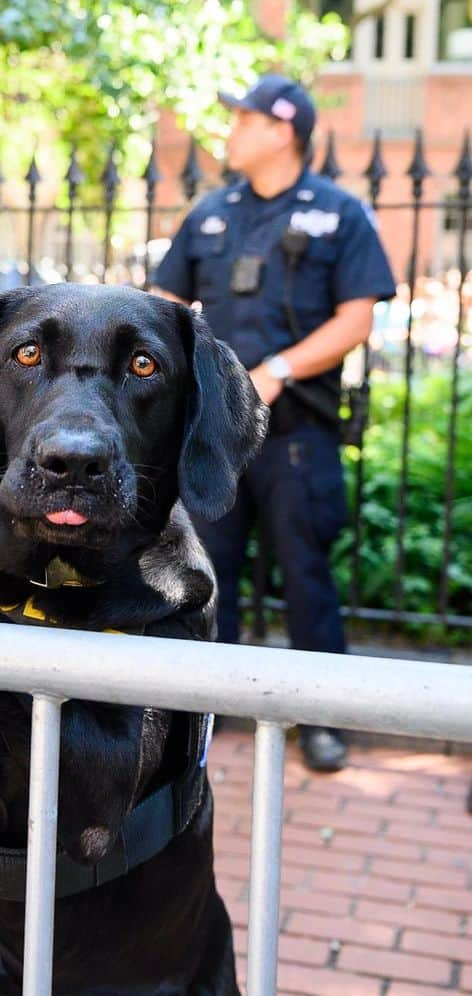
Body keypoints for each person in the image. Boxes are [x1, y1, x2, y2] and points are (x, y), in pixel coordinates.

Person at [154, 74, 396, 773]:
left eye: (242, 120)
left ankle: (323, 719)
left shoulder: (338, 213)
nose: (228, 132)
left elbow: (357, 316)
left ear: (282, 129)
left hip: (296, 435)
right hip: (220, 439)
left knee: (307, 575)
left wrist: (279, 369)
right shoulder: (211, 213)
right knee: (206, 574)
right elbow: (166, 305)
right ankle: (207, 706)